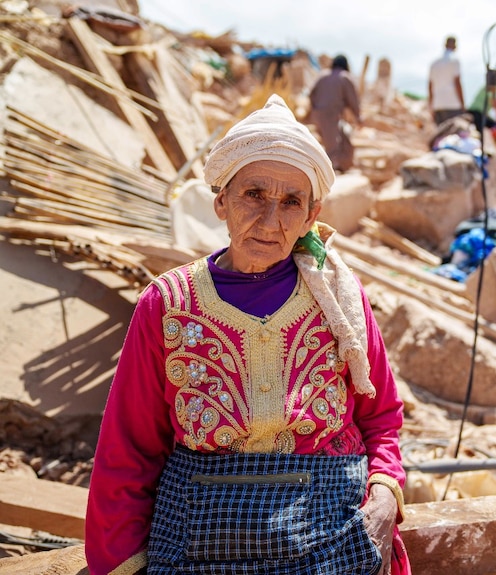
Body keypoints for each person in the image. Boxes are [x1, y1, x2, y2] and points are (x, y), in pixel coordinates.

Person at [85, 94, 411, 575]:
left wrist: (384, 496)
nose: (271, 219)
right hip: (200, 534)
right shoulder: (169, 304)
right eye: (254, 194)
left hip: (331, 530)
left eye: (291, 202)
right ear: (221, 201)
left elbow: (380, 415)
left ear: (311, 214)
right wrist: (120, 564)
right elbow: (128, 447)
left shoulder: (339, 298)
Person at [309, 54, 362, 172]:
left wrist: (314, 110)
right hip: (332, 113)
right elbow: (353, 100)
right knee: (333, 145)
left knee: (342, 138)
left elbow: (311, 94)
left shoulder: (322, 75)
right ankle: (330, 172)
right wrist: (358, 118)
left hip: (318, 113)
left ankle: (343, 165)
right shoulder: (345, 77)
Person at [427, 35, 465, 125]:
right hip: (453, 104)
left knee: (441, 136)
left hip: (438, 105)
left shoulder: (434, 63)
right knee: (454, 136)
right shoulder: (455, 61)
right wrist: (462, 104)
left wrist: (431, 106)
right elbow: (457, 83)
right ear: (455, 46)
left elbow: (430, 86)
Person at [468, 66, 496, 131]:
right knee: (494, 127)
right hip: (477, 112)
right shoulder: (494, 83)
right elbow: (494, 102)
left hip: (481, 113)